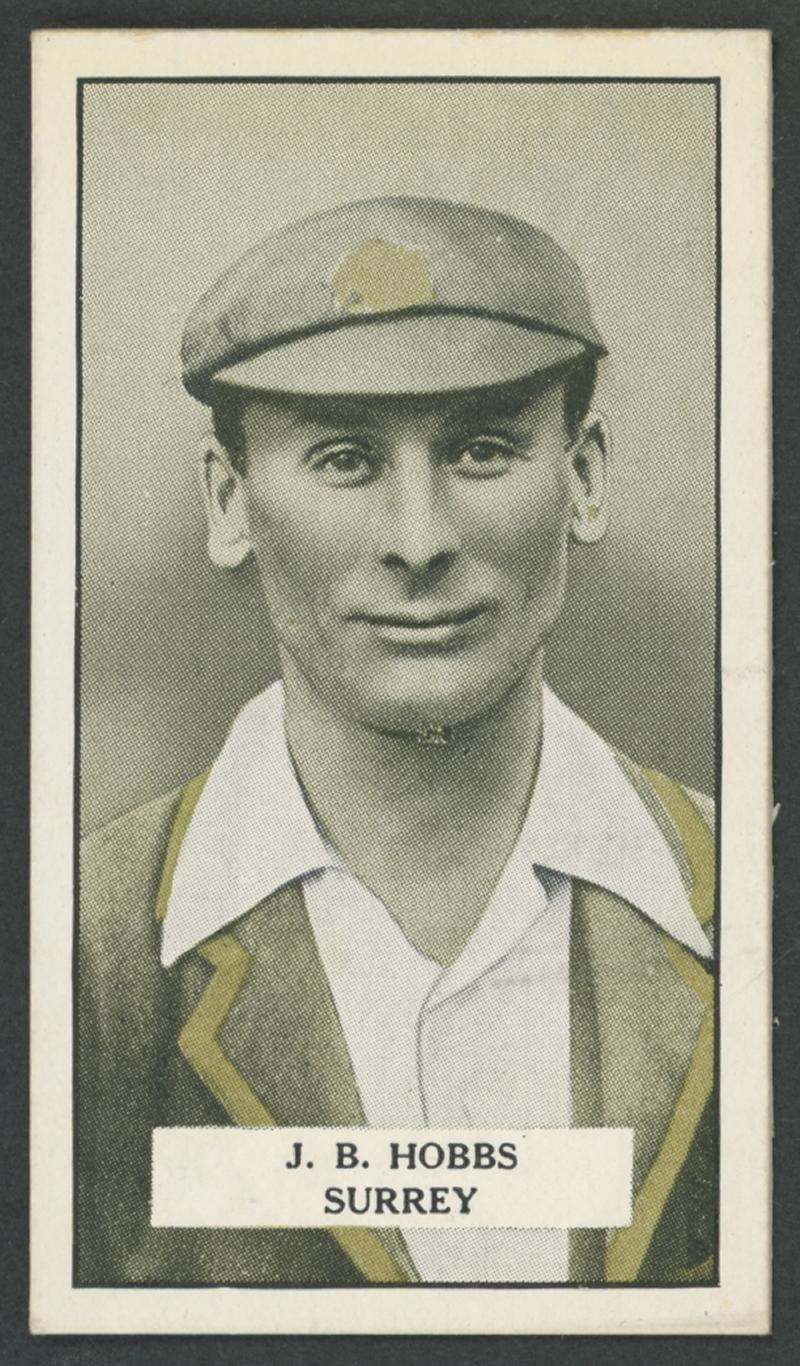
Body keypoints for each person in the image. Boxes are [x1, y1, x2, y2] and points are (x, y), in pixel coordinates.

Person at [78, 195, 716, 1287]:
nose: (419, 542)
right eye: (344, 459)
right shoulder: (78, 951)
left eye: (481, 449)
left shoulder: (749, 900)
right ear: (230, 502)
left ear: (584, 477)